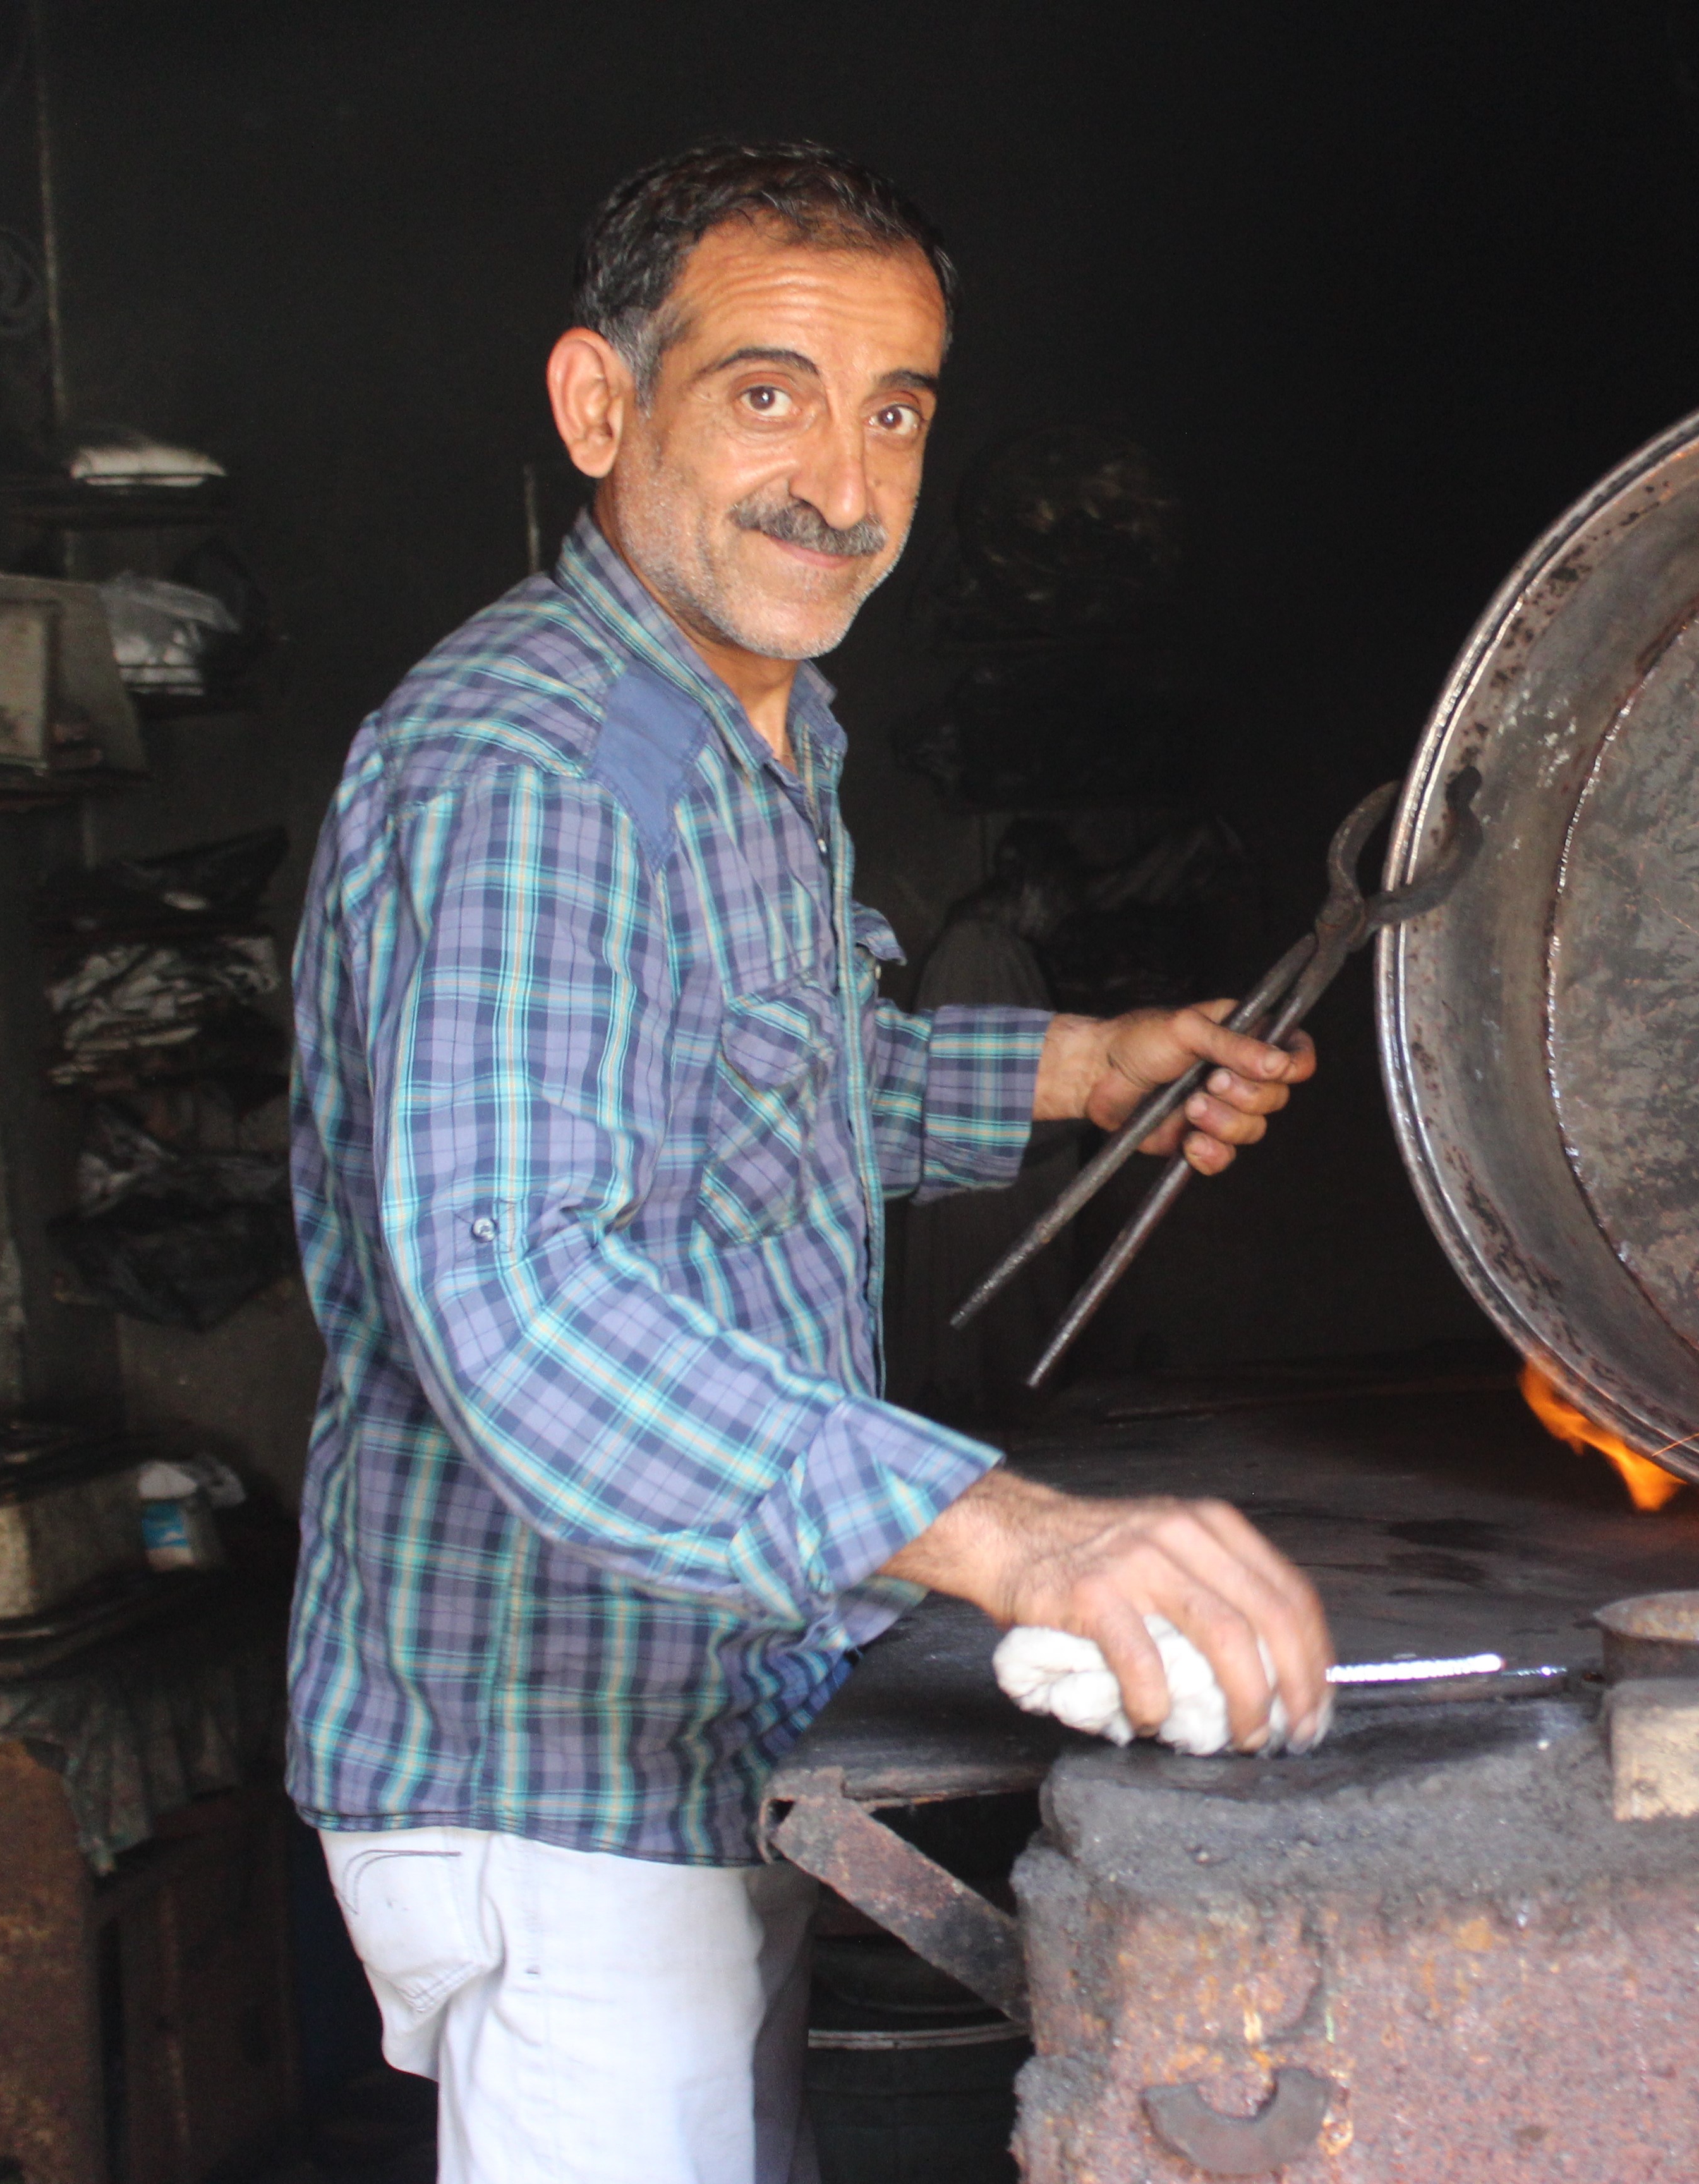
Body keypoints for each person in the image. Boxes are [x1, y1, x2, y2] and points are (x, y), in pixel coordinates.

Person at [284, 140, 1334, 2183]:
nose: (843, 487)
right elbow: (518, 1289)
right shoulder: (536, 767)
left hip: (708, 1724)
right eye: (766, 393)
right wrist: (1016, 1536)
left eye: (896, 411)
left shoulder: (750, 726)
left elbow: (764, 1092)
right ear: (603, 405)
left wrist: (1084, 1070)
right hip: (548, 1772)